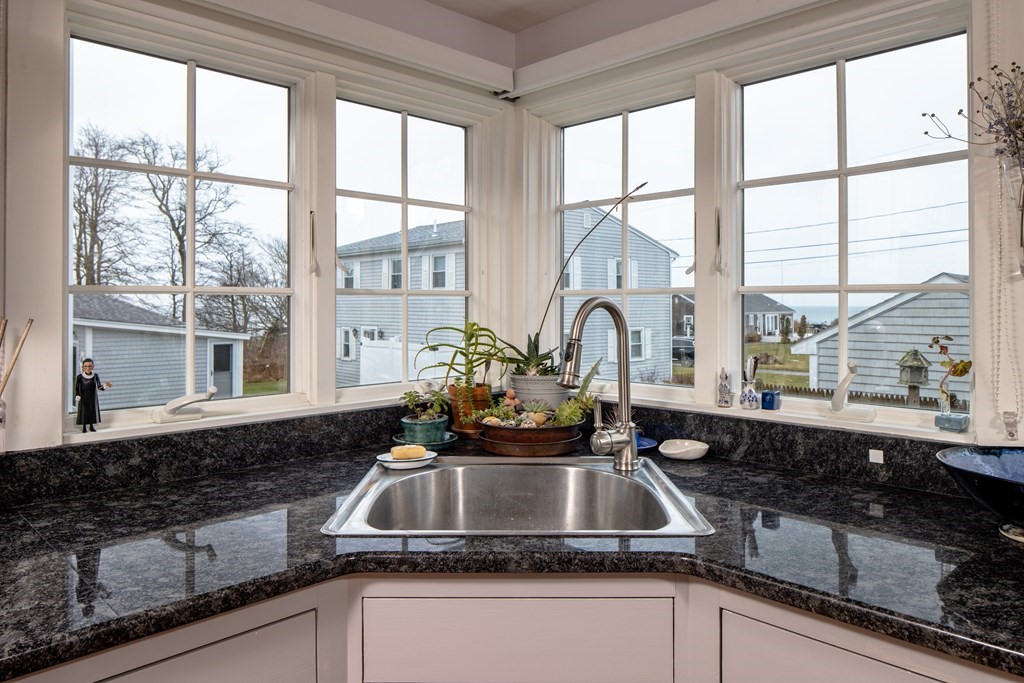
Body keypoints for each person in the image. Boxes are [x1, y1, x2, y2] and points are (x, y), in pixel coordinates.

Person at [74, 358, 111, 433]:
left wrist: (105, 385)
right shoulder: (80, 377)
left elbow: (99, 387)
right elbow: (77, 388)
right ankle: (84, 427)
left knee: (92, 411)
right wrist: (77, 395)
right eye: (85, 366)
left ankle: (91, 426)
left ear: (93, 367)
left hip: (92, 397)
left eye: (90, 366)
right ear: (83, 367)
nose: (87, 368)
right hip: (83, 397)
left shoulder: (95, 376)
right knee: (84, 411)